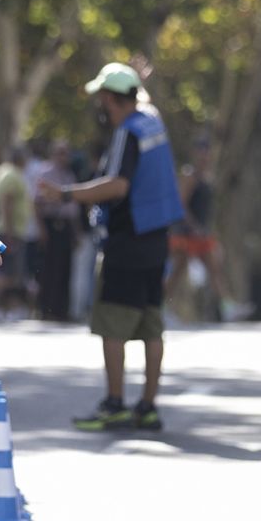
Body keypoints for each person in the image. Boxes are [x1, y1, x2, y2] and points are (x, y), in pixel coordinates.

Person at [45, 63, 185, 432]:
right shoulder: (152, 122)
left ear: (108, 99)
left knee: (113, 325)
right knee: (152, 325)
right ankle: (149, 407)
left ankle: (115, 403)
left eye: (101, 98)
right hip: (157, 240)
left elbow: (118, 186)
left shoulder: (126, 132)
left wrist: (66, 194)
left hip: (126, 241)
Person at [168, 136, 252, 322]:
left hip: (201, 235)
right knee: (177, 272)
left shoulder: (208, 177)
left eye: (206, 151)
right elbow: (181, 205)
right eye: (201, 151)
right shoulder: (189, 175)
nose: (204, 155)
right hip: (186, 235)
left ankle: (227, 307)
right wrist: (193, 227)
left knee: (214, 269)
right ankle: (159, 307)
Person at [34, 139, 81, 322]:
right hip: (51, 224)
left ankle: (62, 310)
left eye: (66, 153)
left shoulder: (69, 175)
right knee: (49, 269)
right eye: (60, 153)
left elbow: (73, 208)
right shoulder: (45, 174)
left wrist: (76, 233)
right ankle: (46, 308)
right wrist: (42, 229)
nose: (64, 157)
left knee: (65, 268)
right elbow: (37, 203)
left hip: (66, 226)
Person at [0, 145, 35, 319]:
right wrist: (9, 231)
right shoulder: (13, 175)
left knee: (7, 271)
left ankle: (3, 308)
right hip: (11, 230)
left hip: (5, 228)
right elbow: (8, 202)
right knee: (10, 273)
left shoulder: (0, 171)